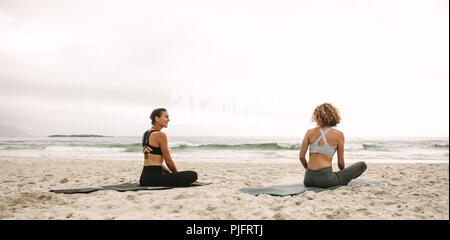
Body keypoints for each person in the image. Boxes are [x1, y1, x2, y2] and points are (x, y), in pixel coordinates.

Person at [299, 103, 367, 188]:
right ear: (334, 116)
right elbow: (341, 163)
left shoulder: (309, 132)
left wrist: (310, 171)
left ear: (316, 117)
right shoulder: (339, 135)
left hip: (308, 179)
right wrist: (343, 174)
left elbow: (301, 157)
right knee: (362, 165)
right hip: (326, 180)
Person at [139, 108, 198, 187]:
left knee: (166, 173)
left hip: (144, 179)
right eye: (166, 117)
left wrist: (171, 174)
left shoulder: (145, 134)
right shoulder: (160, 135)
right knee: (193, 175)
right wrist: (178, 176)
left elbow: (157, 163)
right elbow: (168, 161)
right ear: (157, 118)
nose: (168, 120)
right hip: (154, 179)